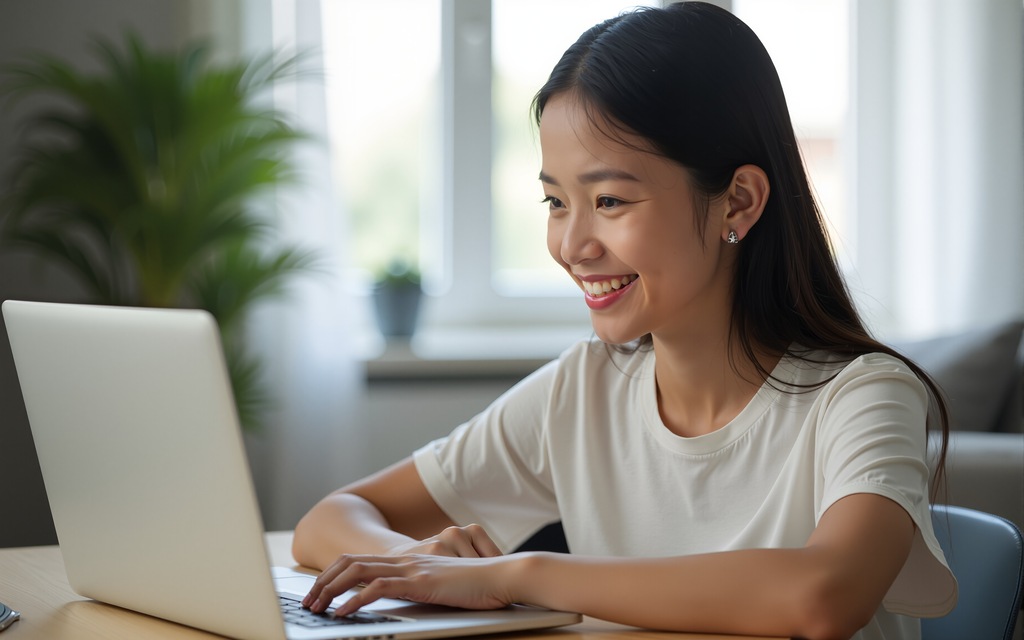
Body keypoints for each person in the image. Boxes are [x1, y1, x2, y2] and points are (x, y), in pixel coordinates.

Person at [292, 3, 957, 638]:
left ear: (739, 202)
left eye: (609, 199)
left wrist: (519, 572)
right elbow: (330, 519)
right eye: (556, 202)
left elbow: (823, 596)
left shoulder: (863, 395)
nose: (572, 245)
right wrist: (419, 568)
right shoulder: (584, 389)